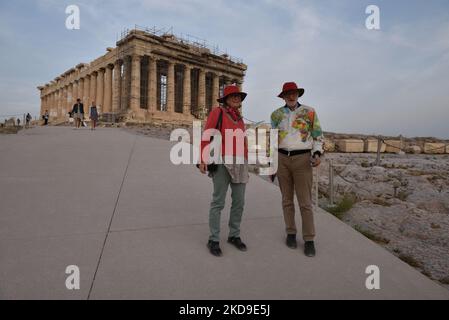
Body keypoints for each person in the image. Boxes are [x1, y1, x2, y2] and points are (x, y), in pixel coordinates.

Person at [270, 82, 324, 257]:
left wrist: (317, 153)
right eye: (288, 94)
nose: (291, 96)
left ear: (298, 94)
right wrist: (272, 164)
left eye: (293, 93)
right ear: (283, 96)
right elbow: (273, 139)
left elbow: (317, 135)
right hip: (282, 158)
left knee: (305, 202)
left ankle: (309, 239)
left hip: (302, 158)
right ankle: (291, 233)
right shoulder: (276, 114)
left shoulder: (309, 112)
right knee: (286, 200)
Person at [199, 85, 249, 257]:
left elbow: (243, 142)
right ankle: (213, 239)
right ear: (226, 99)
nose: (236, 98)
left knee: (239, 202)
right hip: (221, 162)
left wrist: (246, 158)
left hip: (240, 163)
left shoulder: (240, 119)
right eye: (233, 96)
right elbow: (207, 134)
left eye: (238, 96)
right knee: (218, 202)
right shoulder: (217, 112)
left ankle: (234, 235)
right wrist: (202, 158)